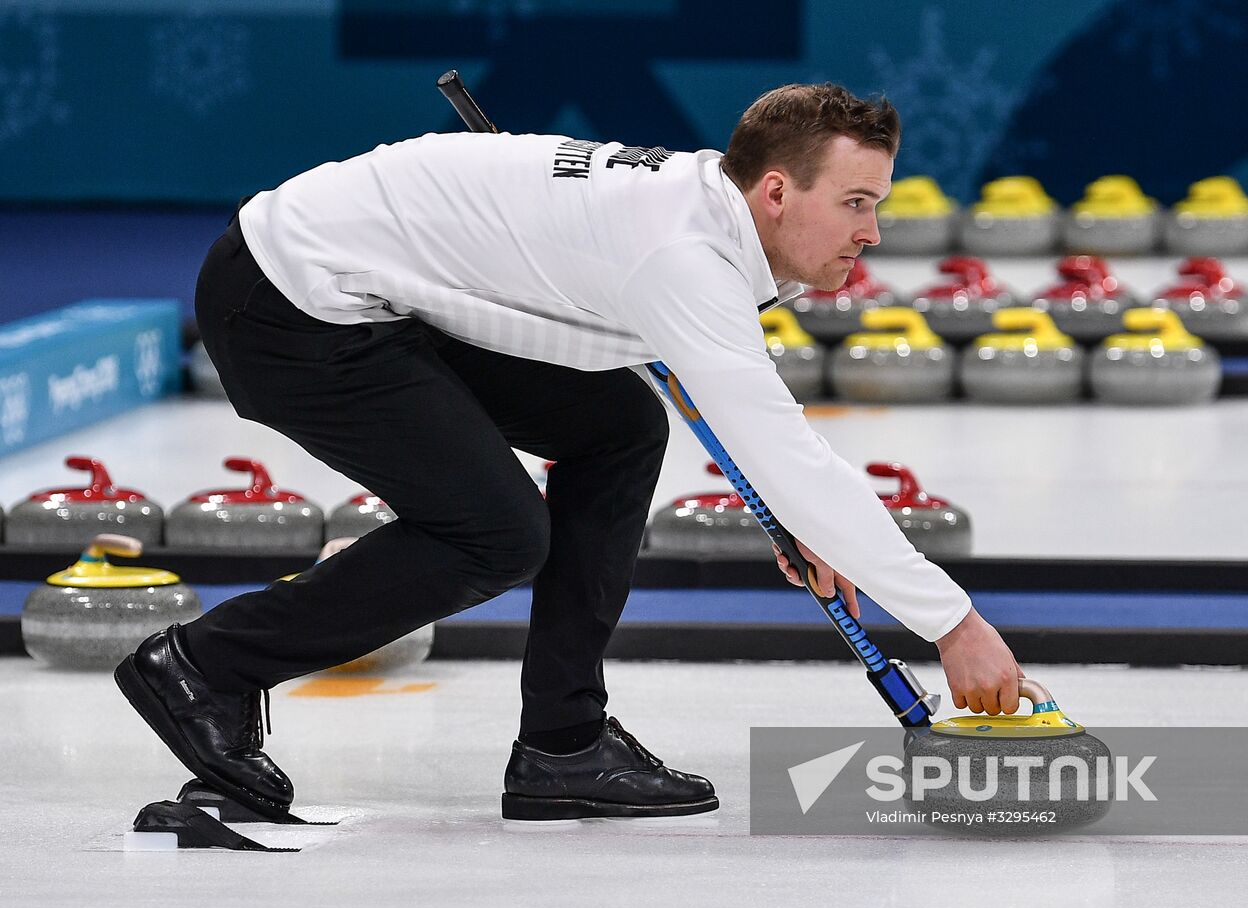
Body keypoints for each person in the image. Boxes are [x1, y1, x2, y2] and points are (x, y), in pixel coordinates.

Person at [114, 82, 1022, 822]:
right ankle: (204, 666)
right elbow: (784, 448)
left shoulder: (717, 213)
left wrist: (807, 525)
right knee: (498, 534)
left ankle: (563, 745)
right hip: (290, 300)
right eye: (857, 204)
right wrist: (952, 621)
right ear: (776, 191)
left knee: (619, 428)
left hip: (387, 291)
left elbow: (748, 428)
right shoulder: (685, 255)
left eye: (879, 205)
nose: (874, 232)